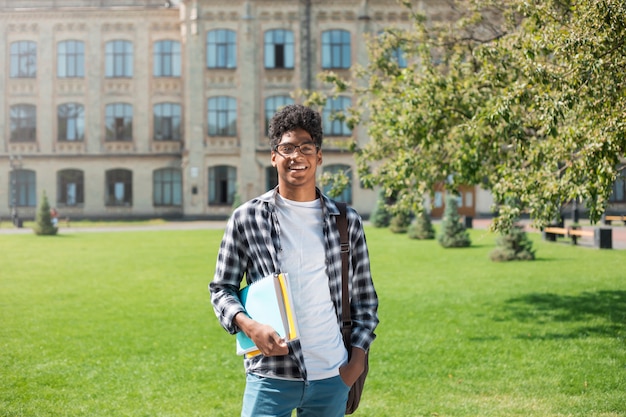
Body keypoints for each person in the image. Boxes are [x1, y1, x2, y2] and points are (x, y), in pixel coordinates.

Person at [209, 104, 379, 417]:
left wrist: (355, 364)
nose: (296, 156)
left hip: (333, 375)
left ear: (319, 155)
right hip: (270, 374)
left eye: (305, 147)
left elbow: (365, 302)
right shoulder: (246, 218)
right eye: (287, 147)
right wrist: (250, 327)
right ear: (273, 156)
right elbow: (221, 288)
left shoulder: (346, 221)